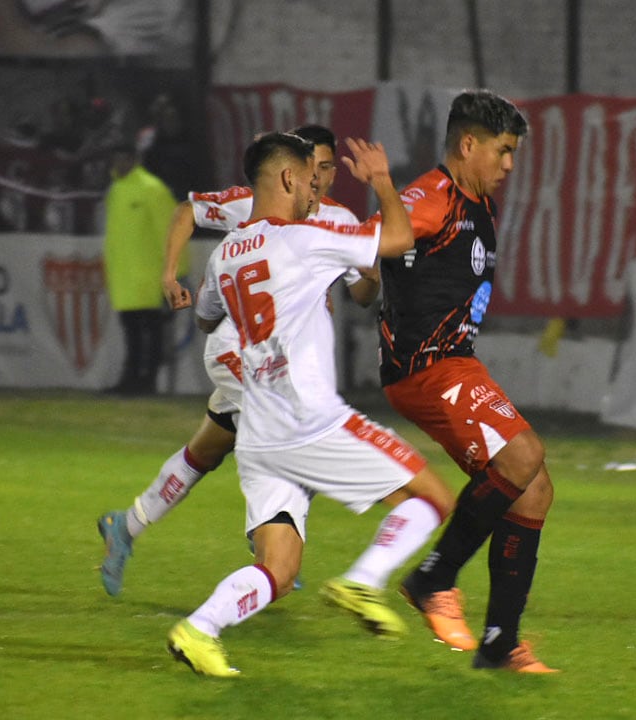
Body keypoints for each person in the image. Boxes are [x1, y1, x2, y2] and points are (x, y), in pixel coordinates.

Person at [167, 131, 453, 677]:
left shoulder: (225, 254)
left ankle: (198, 629)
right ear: (287, 177)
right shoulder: (307, 237)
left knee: (278, 567)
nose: (315, 187)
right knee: (434, 497)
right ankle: (364, 581)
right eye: (309, 175)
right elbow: (396, 237)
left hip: (258, 433)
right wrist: (383, 182)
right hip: (310, 421)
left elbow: (206, 318)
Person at [97, 125, 378, 597]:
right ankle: (270, 543)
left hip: (279, 361)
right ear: (295, 171)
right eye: (316, 167)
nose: (323, 177)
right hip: (235, 348)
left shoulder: (338, 219)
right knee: (298, 430)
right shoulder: (256, 203)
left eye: (329, 168)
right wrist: (169, 273)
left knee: (204, 453)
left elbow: (363, 295)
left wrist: (368, 272)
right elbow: (188, 210)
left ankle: (127, 525)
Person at [378, 90, 557, 673]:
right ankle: (434, 578)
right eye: (503, 152)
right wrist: (367, 288)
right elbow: (378, 235)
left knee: (533, 488)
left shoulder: (478, 203)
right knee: (523, 453)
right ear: (468, 144)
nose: (510, 165)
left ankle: (500, 645)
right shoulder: (433, 198)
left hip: (457, 362)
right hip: (426, 367)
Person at [101, 142, 178, 395]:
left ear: (134, 159)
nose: (118, 164)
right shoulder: (117, 189)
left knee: (149, 331)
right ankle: (132, 378)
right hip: (125, 276)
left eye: (123, 158)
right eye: (115, 159)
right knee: (132, 331)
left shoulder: (151, 189)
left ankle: (147, 380)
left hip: (148, 276)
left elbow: (169, 231)